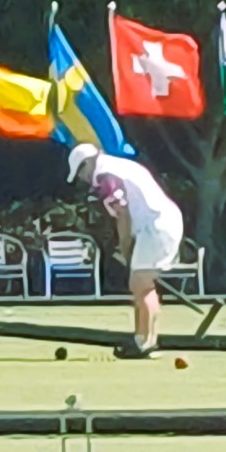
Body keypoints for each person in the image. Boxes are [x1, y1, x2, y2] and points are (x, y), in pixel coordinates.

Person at [69, 144, 186, 358]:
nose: (83, 178)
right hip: (160, 223)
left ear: (87, 164)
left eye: (80, 172)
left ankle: (145, 342)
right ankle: (144, 339)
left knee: (140, 284)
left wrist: (125, 246)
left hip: (157, 226)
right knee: (142, 284)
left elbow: (122, 214)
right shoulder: (118, 166)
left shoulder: (106, 176)